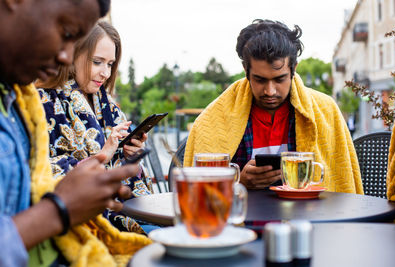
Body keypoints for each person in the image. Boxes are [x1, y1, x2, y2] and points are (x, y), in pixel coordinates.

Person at [0, 0, 151, 266]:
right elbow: (50, 174)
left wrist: (129, 155)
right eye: (66, 33)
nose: (65, 57)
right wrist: (59, 209)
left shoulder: (16, 100)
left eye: (110, 64)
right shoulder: (38, 101)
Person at [184, 19, 363, 194]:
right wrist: (238, 181)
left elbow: (343, 184)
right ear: (245, 70)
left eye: (279, 79)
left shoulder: (327, 110)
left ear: (294, 69)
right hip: (240, 221)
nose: (270, 91)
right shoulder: (212, 118)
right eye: (260, 80)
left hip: (310, 220)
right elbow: (197, 192)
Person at [36, 21, 153, 234]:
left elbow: (130, 174)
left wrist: (129, 155)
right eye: (98, 62)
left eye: (110, 64)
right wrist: (102, 156)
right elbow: (42, 171)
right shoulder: (44, 102)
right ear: (73, 55)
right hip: (84, 221)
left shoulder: (108, 104)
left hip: (129, 209)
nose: (105, 73)